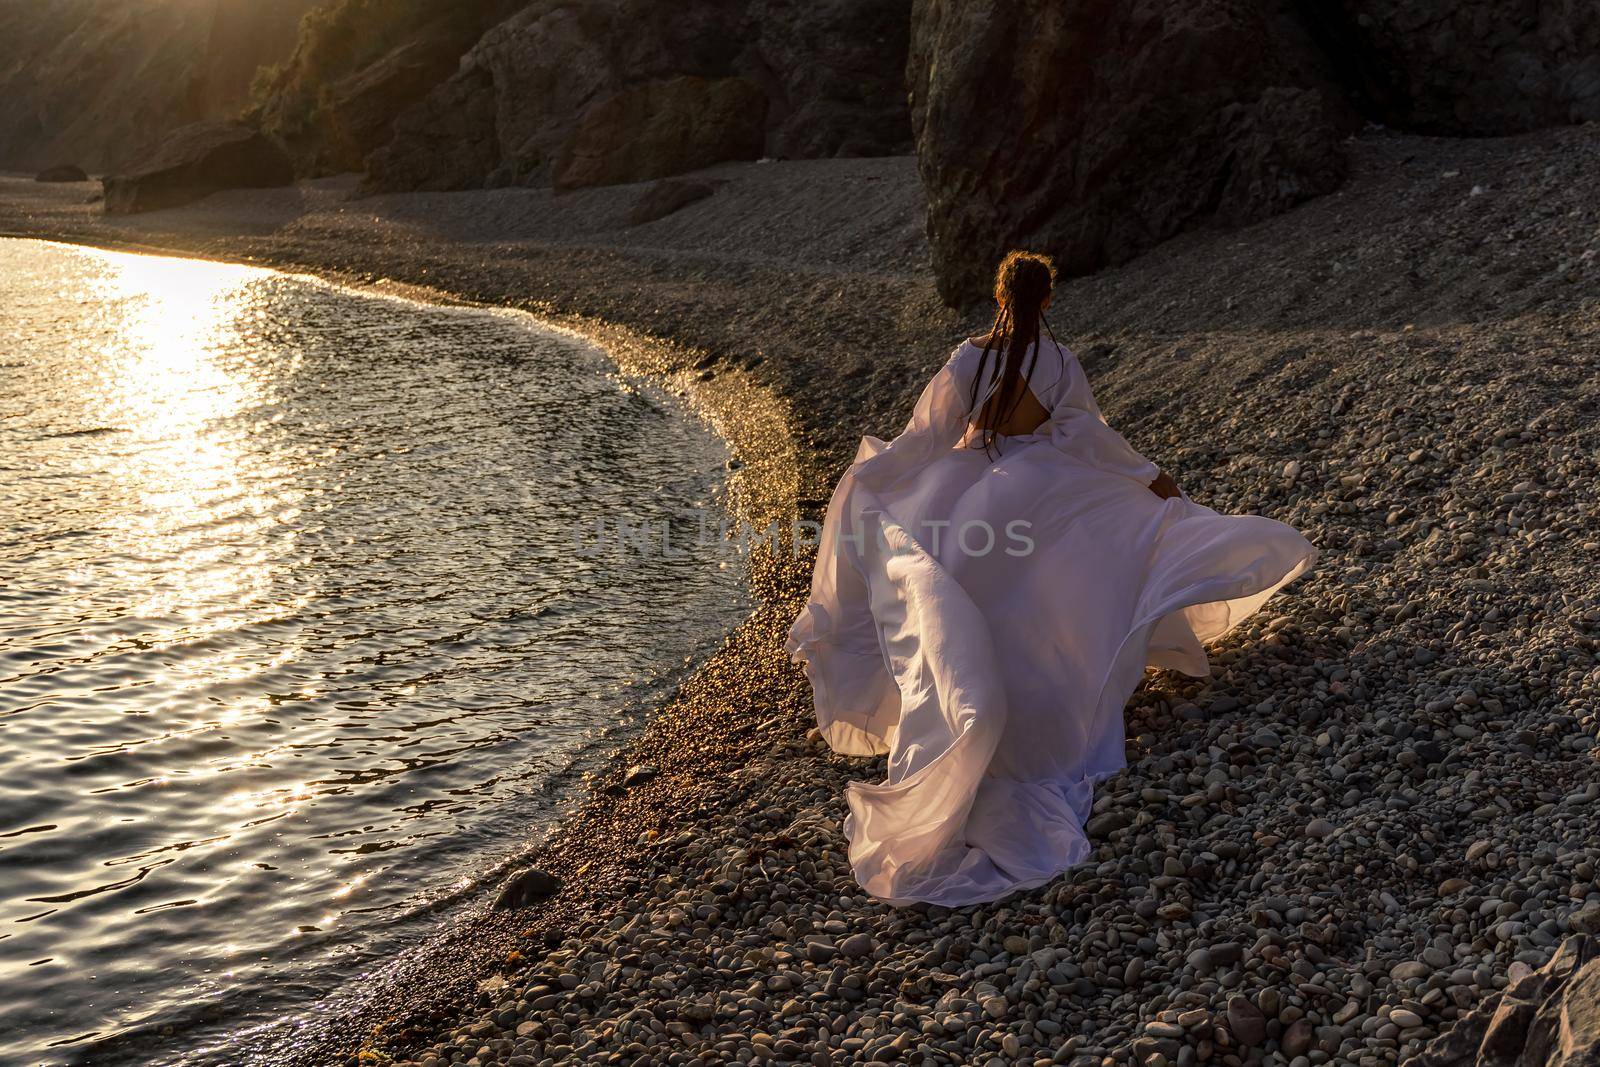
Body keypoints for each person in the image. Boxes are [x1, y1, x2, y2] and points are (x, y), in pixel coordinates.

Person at [785, 250, 1317, 907]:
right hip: (1039, 481)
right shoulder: (1058, 363)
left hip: (964, 485)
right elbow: (1089, 438)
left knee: (942, 591)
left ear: (997, 292)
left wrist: (875, 475)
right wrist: (1148, 477)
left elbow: (927, 436)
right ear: (1047, 300)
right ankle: (1048, 696)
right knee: (1066, 580)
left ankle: (961, 706)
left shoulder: (968, 358)